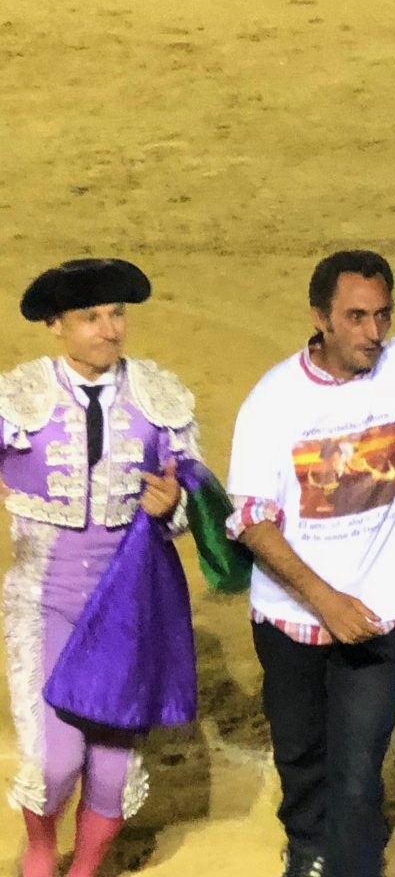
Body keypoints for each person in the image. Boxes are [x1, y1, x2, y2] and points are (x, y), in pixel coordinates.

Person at [226, 251, 395, 877]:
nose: (372, 333)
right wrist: (326, 602)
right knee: (302, 759)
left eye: (382, 316)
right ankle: (308, 851)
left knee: (360, 772)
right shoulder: (272, 400)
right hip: (289, 619)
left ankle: (350, 864)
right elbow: (253, 520)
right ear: (321, 318)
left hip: (379, 616)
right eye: (356, 317)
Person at [5, 259, 200, 877]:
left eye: (117, 313)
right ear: (56, 324)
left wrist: (174, 508)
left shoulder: (158, 395)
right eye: (92, 317)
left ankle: (84, 871)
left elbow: (193, 493)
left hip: (124, 604)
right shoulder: (19, 396)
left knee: (113, 771)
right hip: (44, 598)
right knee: (55, 762)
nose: (111, 329)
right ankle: (41, 852)